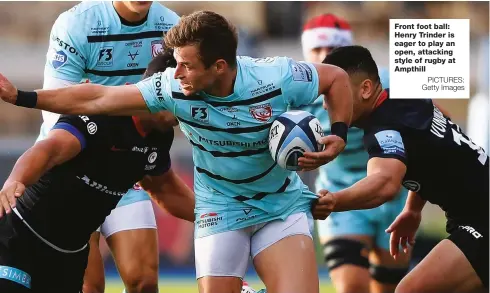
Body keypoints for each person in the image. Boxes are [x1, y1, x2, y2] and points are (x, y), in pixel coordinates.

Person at [0, 10, 354, 293]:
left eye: (187, 66)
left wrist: (339, 132)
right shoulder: (164, 90)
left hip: (278, 204)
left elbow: (336, 77)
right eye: (176, 65)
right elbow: (92, 102)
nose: (178, 75)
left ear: (218, 68)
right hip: (218, 209)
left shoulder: (275, 76)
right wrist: (22, 98)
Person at [0, 53, 195, 293]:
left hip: (69, 258)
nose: (186, 105)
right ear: (155, 86)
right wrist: (15, 180)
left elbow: (164, 189)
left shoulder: (160, 135)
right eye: (180, 93)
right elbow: (49, 150)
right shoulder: (104, 114)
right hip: (21, 237)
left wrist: (218, 218)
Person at [309, 45, 489, 293]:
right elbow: (432, 153)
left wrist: (334, 201)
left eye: (333, 93)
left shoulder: (383, 127)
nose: (327, 105)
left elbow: (385, 184)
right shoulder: (404, 100)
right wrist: (412, 210)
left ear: (365, 89)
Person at [39, 2, 180, 293]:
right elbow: (55, 105)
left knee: (144, 282)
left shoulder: (172, 27)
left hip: (127, 167)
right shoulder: (76, 23)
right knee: (88, 286)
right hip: (76, 167)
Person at [299, 14, 410, 293]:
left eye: (334, 48)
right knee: (352, 286)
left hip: (395, 193)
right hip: (339, 192)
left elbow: (434, 120)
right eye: (317, 49)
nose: (326, 55)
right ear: (305, 52)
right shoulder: (296, 94)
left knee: (390, 288)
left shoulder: (385, 82)